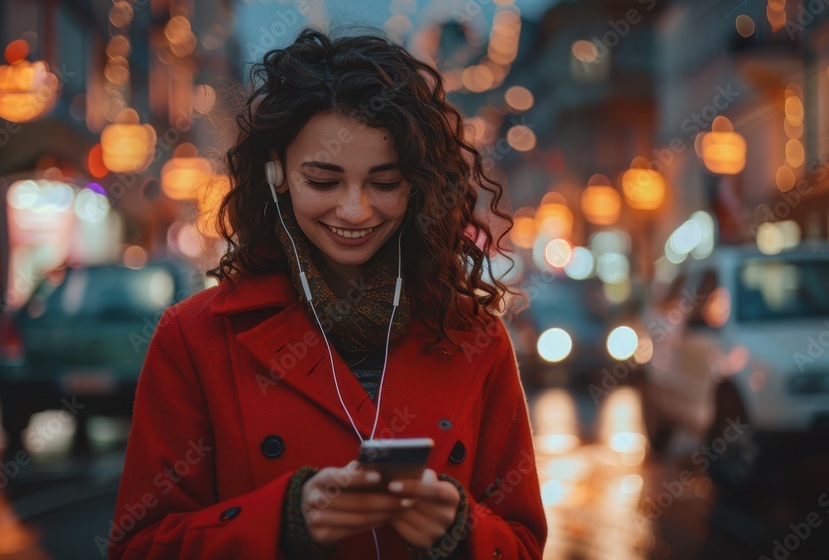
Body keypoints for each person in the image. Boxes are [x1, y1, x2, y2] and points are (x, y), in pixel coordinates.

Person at [108, 27, 546, 560]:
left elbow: (522, 544)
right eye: (323, 180)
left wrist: (459, 529)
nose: (355, 211)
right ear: (277, 174)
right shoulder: (196, 337)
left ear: (420, 184)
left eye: (385, 183)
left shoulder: (474, 336)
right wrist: (285, 519)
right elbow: (140, 547)